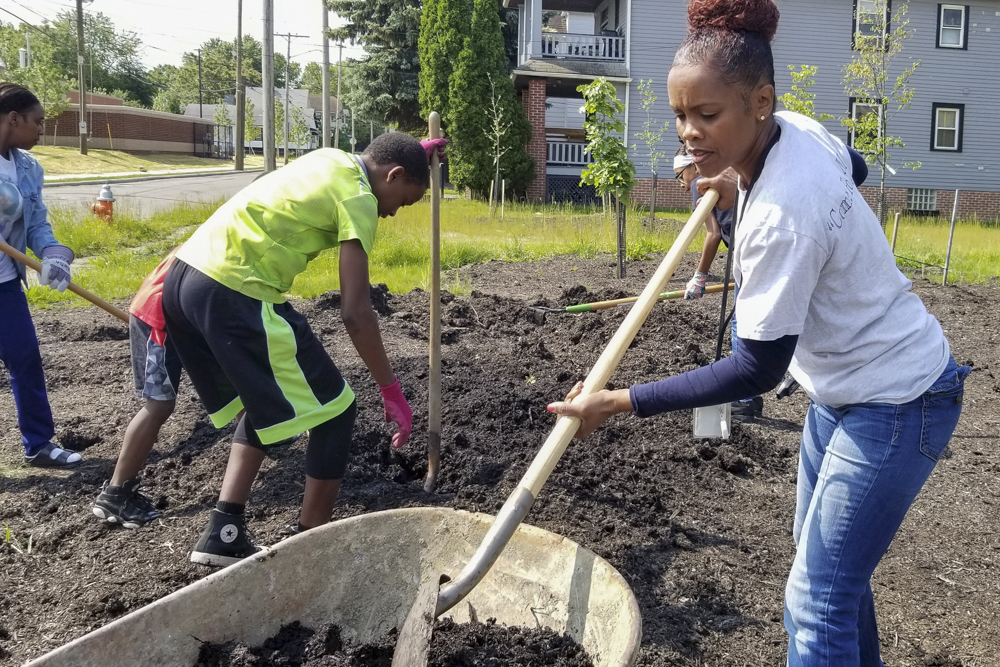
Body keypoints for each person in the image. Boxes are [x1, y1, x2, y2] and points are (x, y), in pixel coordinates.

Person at [548, 1, 968, 665]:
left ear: (760, 102)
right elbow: (854, 169)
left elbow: (757, 370)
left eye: (707, 115)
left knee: (817, 601)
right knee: (832, 577)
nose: (689, 133)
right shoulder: (797, 131)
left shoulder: (781, 218)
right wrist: (736, 184)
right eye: (680, 115)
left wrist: (620, 401)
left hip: (898, 399)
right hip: (843, 389)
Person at [161, 133, 443, 566]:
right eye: (403, 201)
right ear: (394, 175)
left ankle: (223, 532)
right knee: (336, 411)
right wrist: (390, 389)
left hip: (185, 278)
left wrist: (415, 153)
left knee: (266, 397)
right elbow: (355, 312)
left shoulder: (331, 159)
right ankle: (311, 549)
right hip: (235, 289)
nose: (391, 212)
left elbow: (382, 162)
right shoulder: (361, 199)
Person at [0, 83, 81, 468]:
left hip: (5, 284)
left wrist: (54, 253)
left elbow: (35, 225)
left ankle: (39, 444)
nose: (41, 130)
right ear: (14, 119)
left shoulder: (29, 168)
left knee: (25, 358)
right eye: (38, 122)